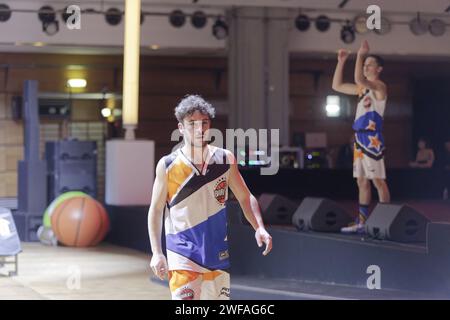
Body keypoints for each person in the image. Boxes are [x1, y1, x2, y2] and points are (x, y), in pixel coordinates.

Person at [147, 95, 272, 300]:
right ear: (181, 128)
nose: (199, 129)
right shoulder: (168, 165)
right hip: (182, 252)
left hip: (216, 251)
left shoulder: (224, 159)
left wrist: (259, 227)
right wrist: (157, 252)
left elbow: (245, 197)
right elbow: (156, 209)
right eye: (192, 124)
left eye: (204, 123)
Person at [332, 40, 391, 233]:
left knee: (378, 181)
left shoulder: (379, 87)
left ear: (379, 69)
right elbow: (337, 85)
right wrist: (341, 62)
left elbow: (359, 79)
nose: (365, 67)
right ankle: (362, 222)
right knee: (362, 181)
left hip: (373, 138)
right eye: (364, 65)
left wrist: (360, 55)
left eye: (369, 64)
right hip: (359, 138)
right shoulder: (362, 89)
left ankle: (385, 220)